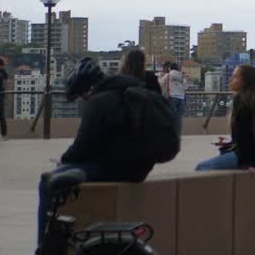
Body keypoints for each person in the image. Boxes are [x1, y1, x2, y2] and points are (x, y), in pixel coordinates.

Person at [37, 59, 164, 243]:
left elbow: (82, 146)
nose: (83, 99)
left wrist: (64, 160)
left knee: (47, 183)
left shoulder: (99, 101)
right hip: (140, 167)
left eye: (82, 95)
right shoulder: (128, 90)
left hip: (117, 169)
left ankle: (43, 250)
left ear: (88, 88)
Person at [196, 64, 255, 171]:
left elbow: (244, 136)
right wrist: (229, 142)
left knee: (201, 167)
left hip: (253, 158)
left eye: (235, 77)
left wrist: (246, 163)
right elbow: (254, 134)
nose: (230, 79)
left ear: (245, 82)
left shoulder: (242, 99)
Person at [161, 61, 187, 133]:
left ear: (170, 68)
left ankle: (171, 134)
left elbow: (161, 83)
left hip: (172, 97)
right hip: (181, 98)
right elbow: (185, 87)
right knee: (179, 118)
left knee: (170, 117)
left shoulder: (168, 75)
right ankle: (178, 134)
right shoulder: (182, 76)